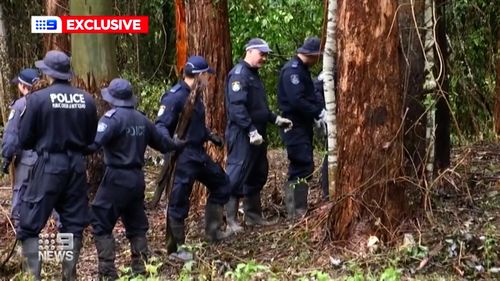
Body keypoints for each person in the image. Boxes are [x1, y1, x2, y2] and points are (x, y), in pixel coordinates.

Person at [86, 78, 185, 279]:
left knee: (100, 222)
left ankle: (107, 273)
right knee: (136, 223)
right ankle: (140, 269)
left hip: (115, 178)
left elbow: (92, 144)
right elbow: (163, 144)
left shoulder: (111, 119)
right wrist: (180, 143)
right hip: (137, 179)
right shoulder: (142, 120)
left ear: (112, 99)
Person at [17, 50, 98, 280]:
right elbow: (91, 138)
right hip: (76, 166)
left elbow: (24, 138)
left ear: (48, 73)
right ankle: (68, 276)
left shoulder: (37, 99)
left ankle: (33, 276)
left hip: (49, 164)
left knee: (30, 223)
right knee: (73, 224)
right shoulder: (87, 99)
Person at [156, 55, 231, 261]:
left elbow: (193, 123)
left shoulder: (195, 95)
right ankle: (175, 249)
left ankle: (213, 230)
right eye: (207, 75)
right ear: (199, 75)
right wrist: (171, 144)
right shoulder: (175, 96)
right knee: (178, 201)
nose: (209, 79)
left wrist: (209, 135)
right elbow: (160, 125)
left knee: (222, 183)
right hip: (183, 156)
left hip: (198, 153)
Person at [224, 38, 293, 232]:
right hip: (243, 134)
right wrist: (250, 130)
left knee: (258, 173)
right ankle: (229, 220)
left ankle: (253, 215)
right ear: (250, 51)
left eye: (266, 55)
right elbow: (237, 108)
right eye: (261, 54)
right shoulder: (239, 75)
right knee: (236, 174)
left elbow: (258, 108)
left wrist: (275, 119)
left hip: (258, 134)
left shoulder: (254, 75)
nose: (264, 58)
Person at [278, 36, 326, 219]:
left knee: (305, 164)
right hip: (294, 125)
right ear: (311, 55)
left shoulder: (303, 70)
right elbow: (297, 100)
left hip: (302, 125)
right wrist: (317, 112)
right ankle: (296, 211)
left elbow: (309, 94)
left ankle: (299, 208)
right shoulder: (293, 71)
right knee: (301, 164)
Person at [2, 69, 40, 232]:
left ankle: (21, 234)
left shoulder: (21, 105)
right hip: (48, 158)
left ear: (23, 86)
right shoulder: (47, 101)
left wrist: (6, 158)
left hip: (28, 157)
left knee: (20, 193)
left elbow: (12, 135)